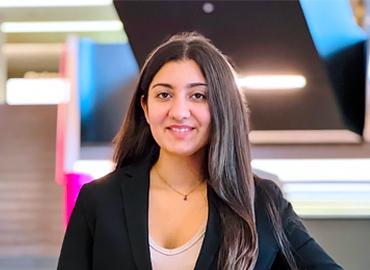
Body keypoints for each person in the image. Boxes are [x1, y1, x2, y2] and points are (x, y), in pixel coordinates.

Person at [57, 32, 343, 270]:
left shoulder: (261, 203)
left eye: (198, 96)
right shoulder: (100, 200)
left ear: (221, 107)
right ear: (145, 107)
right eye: (164, 95)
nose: (179, 112)